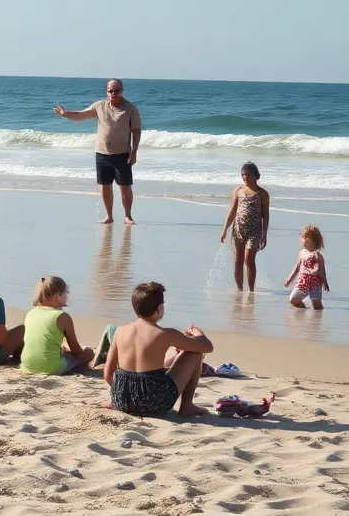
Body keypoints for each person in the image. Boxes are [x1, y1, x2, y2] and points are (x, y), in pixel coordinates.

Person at [101, 281, 213, 417]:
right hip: (156, 403)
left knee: (149, 371)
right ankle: (187, 406)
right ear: (159, 308)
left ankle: (127, 398)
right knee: (195, 354)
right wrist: (197, 333)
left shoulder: (120, 331)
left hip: (122, 401)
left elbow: (108, 375)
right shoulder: (165, 333)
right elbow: (207, 347)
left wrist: (125, 392)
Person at [53, 79, 142, 224]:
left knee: (125, 187)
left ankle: (128, 216)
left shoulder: (131, 109)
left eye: (116, 90)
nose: (113, 94)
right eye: (110, 91)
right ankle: (109, 216)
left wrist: (134, 151)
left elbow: (136, 130)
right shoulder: (99, 106)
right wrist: (65, 113)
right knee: (105, 186)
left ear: (122, 90)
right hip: (102, 153)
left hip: (122, 154)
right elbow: (81, 115)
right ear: (107, 91)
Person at [20, 276, 94, 375]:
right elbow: (76, 350)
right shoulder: (62, 316)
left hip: (27, 364)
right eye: (66, 292)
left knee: (62, 349)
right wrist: (86, 352)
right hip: (51, 367)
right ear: (58, 295)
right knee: (89, 353)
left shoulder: (30, 313)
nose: (67, 296)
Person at [219, 162, 270, 291]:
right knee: (238, 261)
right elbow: (232, 211)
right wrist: (225, 230)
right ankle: (239, 289)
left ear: (255, 175)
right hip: (238, 230)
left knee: (249, 259)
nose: (245, 177)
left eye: (247, 175)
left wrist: (264, 234)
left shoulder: (262, 194)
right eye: (243, 175)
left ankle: (251, 290)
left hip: (254, 231)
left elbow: (266, 216)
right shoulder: (238, 191)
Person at [285, 225, 329, 310]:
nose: (302, 239)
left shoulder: (317, 255)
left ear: (313, 240)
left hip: (315, 283)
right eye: (302, 237)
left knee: (316, 304)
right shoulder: (302, 253)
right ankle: (304, 309)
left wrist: (325, 282)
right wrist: (289, 279)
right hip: (303, 281)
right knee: (293, 299)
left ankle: (318, 316)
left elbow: (322, 269)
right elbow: (297, 267)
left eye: (305, 237)